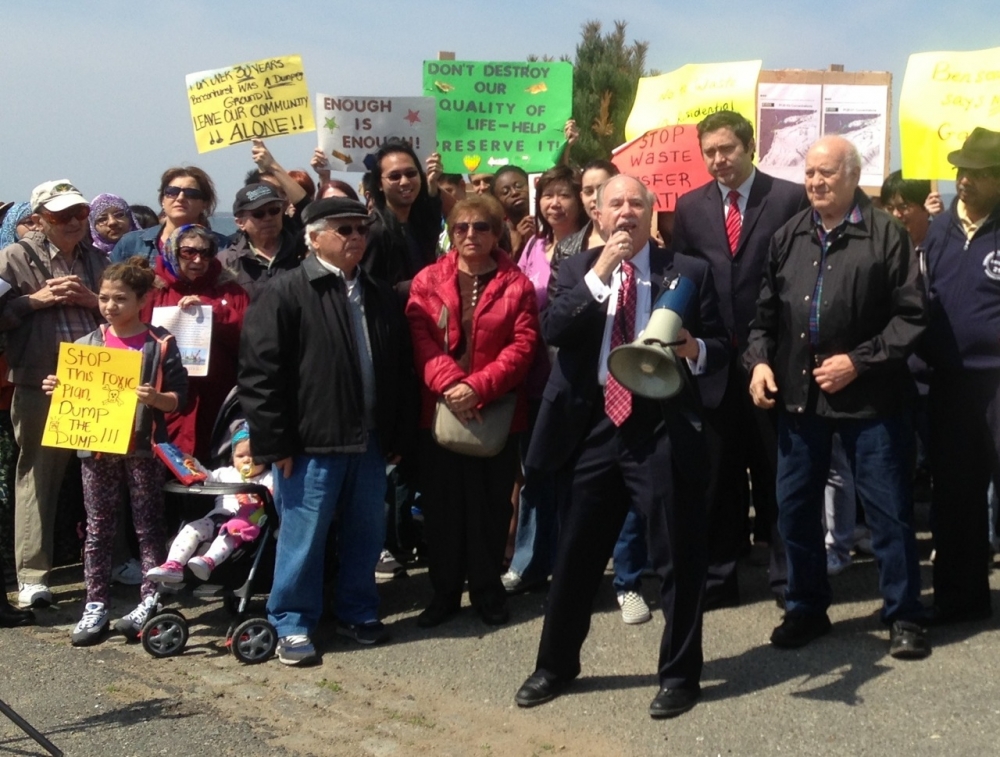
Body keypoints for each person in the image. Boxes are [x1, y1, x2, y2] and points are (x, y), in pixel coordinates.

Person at [514, 175, 729, 719]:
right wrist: (602, 269)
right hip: (591, 429)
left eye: (637, 203)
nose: (627, 212)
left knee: (678, 556)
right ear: (600, 213)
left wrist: (694, 347)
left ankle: (680, 676)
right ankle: (555, 666)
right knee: (575, 557)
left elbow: (723, 344)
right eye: (617, 204)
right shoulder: (573, 269)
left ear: (652, 213)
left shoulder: (687, 272)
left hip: (658, 427)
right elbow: (557, 329)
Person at [745, 136, 930, 659]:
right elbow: (763, 318)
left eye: (826, 173)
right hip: (801, 402)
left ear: (853, 175)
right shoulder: (788, 236)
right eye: (809, 174)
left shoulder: (887, 234)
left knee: (889, 509)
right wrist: (758, 362)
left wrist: (860, 361)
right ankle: (806, 606)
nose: (815, 183)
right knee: (795, 509)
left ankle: (904, 614)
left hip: (872, 401)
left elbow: (912, 317)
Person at [238, 196, 414, 665]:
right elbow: (260, 377)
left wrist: (397, 435)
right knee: (304, 535)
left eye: (360, 228)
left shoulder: (378, 292)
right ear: (314, 238)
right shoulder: (284, 291)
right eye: (343, 229)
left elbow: (398, 370)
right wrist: (275, 443)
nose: (355, 237)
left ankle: (358, 610)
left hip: (371, 439)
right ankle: (291, 621)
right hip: (311, 442)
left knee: (365, 533)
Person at [672, 110, 808, 609]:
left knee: (776, 473)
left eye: (726, 149)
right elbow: (684, 280)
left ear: (749, 146)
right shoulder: (690, 207)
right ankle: (719, 577)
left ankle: (786, 579)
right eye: (709, 152)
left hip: (770, 361)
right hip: (710, 363)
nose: (718, 160)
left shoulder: (788, 197)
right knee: (718, 477)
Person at [406, 194, 539, 628]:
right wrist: (450, 385)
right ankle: (444, 592)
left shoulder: (516, 284)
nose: (470, 235)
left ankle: (487, 590)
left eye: (481, 227)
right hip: (439, 411)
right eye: (461, 227)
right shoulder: (427, 280)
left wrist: (477, 387)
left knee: (491, 508)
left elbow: (523, 347)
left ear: (497, 231)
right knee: (443, 509)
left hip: (495, 411)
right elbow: (421, 337)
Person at [41, 256, 187, 645]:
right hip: (97, 448)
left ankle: (149, 597)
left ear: (141, 300)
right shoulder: (87, 345)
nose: (110, 306)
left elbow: (179, 400)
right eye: (104, 298)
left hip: (142, 448)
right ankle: (96, 601)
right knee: (97, 528)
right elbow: (72, 396)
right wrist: (59, 388)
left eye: (120, 298)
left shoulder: (160, 344)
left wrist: (157, 398)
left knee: (147, 525)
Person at [0, 180, 109, 608]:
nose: (73, 222)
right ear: (40, 219)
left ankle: (113, 560)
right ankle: (32, 576)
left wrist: (90, 298)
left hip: (96, 381)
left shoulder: (99, 259)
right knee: (38, 477)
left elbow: (126, 309)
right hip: (38, 380)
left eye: (80, 214)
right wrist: (34, 301)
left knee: (102, 475)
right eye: (62, 215)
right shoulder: (12, 258)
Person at [921, 127, 1000, 624]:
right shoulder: (938, 230)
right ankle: (959, 598)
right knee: (954, 493)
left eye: (975, 173)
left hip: (998, 382)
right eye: (960, 171)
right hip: (948, 384)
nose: (963, 180)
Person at [140, 225, 249, 461]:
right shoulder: (152, 289)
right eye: (188, 252)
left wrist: (215, 314)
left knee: (213, 469)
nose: (198, 259)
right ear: (172, 252)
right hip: (164, 398)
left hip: (215, 399)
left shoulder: (229, 290)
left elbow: (250, 340)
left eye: (206, 252)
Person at [147, 423, 272, 583]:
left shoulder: (267, 477)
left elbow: (274, 494)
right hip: (216, 517)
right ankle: (173, 565)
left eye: (253, 455)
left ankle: (208, 562)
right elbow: (207, 478)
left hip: (242, 525)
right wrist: (193, 464)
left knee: (227, 536)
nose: (247, 460)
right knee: (190, 529)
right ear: (232, 458)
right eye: (241, 456)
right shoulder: (226, 473)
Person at [363, 139, 443, 297]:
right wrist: (417, 284)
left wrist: (433, 184)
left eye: (411, 173)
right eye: (394, 176)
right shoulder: (373, 231)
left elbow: (435, 215)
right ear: (379, 184)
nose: (405, 181)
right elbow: (369, 292)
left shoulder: (420, 224)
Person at [111, 167, 228, 264]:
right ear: (163, 199)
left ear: (204, 204)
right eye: (172, 192)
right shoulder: (132, 243)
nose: (180, 198)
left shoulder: (222, 247)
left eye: (191, 193)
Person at [217, 183, 305, 298]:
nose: (268, 218)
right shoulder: (226, 262)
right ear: (240, 223)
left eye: (274, 210)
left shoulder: (301, 253)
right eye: (258, 214)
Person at [492, 166, 534, 261]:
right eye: (505, 192)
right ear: (497, 201)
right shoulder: (497, 235)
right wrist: (517, 248)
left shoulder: (548, 222)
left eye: (519, 186)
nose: (515, 192)